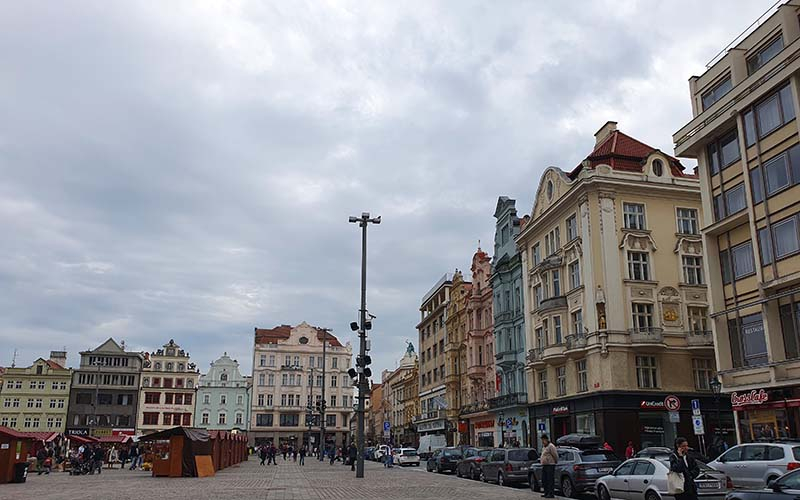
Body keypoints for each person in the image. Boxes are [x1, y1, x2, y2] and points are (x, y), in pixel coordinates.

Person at [540, 434, 558, 499]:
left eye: (543, 440)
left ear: (546, 439)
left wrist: (555, 461)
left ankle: (551, 493)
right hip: (544, 465)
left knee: (550, 480)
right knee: (544, 480)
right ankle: (546, 492)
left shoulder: (551, 446)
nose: (542, 441)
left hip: (550, 465)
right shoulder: (544, 447)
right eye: (542, 440)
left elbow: (555, 455)